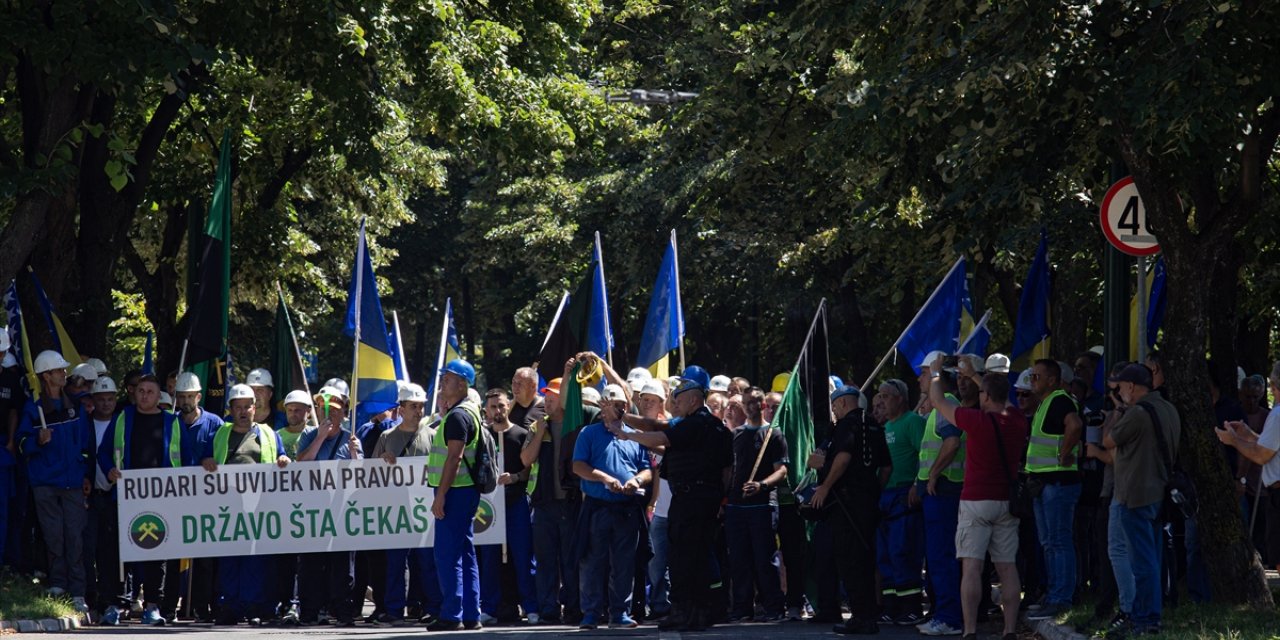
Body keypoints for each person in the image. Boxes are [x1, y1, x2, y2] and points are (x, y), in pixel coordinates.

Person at [611, 365, 732, 632]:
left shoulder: (694, 424)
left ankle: (686, 611)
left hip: (690, 498)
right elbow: (725, 470)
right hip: (704, 498)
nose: (675, 403)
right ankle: (697, 611)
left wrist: (626, 433)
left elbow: (660, 432)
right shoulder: (714, 427)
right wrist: (627, 419)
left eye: (679, 398)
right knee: (696, 555)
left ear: (693, 398)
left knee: (684, 556)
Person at [929, 357, 1028, 640]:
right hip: (1006, 501)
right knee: (1006, 567)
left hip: (975, 499)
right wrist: (975, 376)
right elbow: (999, 397)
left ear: (985, 396)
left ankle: (970, 630)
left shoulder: (976, 421)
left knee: (971, 567)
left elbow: (938, 400)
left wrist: (936, 374)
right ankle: (1009, 630)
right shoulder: (1017, 419)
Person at [98, 373, 186, 625]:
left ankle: (152, 607)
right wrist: (110, 471)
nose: (144, 395)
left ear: (160, 396)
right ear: (133, 394)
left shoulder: (172, 422)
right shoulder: (122, 420)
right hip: (125, 497)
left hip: (161, 499)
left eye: (150, 391)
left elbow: (187, 459)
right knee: (118, 553)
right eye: (140, 391)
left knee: (156, 554)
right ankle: (115, 605)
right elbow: (103, 454)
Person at [200, 384, 290, 625]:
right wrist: (205, 460)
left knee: (255, 558)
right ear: (230, 410)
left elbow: (281, 458)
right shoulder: (219, 434)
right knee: (229, 556)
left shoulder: (270, 434)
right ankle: (229, 606)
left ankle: (254, 606)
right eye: (237, 407)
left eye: (247, 407)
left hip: (260, 503)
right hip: (227, 504)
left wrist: (283, 459)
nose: (242, 411)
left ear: (254, 407)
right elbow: (202, 460)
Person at [1102, 363, 1180, 636]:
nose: (1118, 392)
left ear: (1132, 387)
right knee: (1152, 558)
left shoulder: (1136, 413)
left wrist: (1118, 411)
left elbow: (1108, 440)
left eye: (1120, 387)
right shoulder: (1168, 408)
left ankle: (1146, 618)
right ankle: (1149, 614)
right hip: (1158, 494)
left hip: (1134, 496)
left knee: (1142, 561)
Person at [806, 385, 889, 635]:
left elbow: (842, 458)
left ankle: (861, 617)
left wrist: (825, 486)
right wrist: (874, 491)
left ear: (842, 403)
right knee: (864, 558)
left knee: (850, 560)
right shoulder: (873, 425)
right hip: (866, 502)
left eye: (834, 406)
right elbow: (886, 467)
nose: (834, 411)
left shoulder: (846, 426)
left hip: (846, 502)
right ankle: (866, 613)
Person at [16, 351, 92, 613]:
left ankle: (78, 591)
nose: (64, 374)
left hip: (72, 483)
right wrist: (37, 440)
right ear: (46, 376)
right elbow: (21, 443)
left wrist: (85, 475)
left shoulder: (75, 405)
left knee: (75, 537)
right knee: (53, 536)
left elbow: (85, 445)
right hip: (45, 483)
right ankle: (58, 584)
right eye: (59, 371)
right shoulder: (33, 408)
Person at [572, 384, 652, 629]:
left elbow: (647, 469)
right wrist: (605, 478)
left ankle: (620, 612)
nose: (619, 409)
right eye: (614, 405)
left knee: (624, 563)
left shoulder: (633, 435)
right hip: (598, 507)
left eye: (622, 405)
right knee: (593, 561)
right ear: (603, 406)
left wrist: (635, 480)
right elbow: (578, 466)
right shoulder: (589, 433)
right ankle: (591, 613)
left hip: (626, 508)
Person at [373, 382, 441, 625]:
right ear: (400, 409)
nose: (418, 411)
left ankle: (434, 607)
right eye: (413, 406)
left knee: (427, 562)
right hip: (396, 511)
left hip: (425, 511)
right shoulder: (386, 437)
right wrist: (382, 460)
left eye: (421, 406)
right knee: (395, 564)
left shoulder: (434, 436)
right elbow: (371, 475)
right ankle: (393, 610)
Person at [1021, 359, 1083, 620]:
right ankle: (1054, 593)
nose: (1031, 380)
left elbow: (1075, 425)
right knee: (1049, 543)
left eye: (1036, 377)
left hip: (1058, 484)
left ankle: (1061, 598)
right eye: (1031, 376)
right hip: (1045, 484)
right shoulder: (1045, 403)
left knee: (1058, 541)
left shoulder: (1060, 399)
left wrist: (1066, 452)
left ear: (1052, 380)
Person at [426, 359, 485, 631]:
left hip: (455, 492)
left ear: (462, 384)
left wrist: (441, 496)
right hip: (464, 491)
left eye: (447, 378)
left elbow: (454, 458)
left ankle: (451, 614)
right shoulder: (467, 412)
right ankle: (470, 614)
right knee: (465, 552)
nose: (442, 383)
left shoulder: (458, 416)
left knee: (447, 555)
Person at [296, 385, 362, 626]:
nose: (330, 415)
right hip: (313, 512)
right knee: (311, 565)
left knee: (343, 567)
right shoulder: (309, 435)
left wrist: (355, 455)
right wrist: (321, 437)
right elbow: (300, 464)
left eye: (335, 410)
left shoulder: (351, 438)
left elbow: (362, 475)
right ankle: (310, 612)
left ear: (344, 412)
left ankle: (343, 612)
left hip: (342, 512)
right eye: (325, 409)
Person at [913, 351, 966, 637]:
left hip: (943, 492)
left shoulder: (947, 406)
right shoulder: (940, 409)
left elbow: (953, 442)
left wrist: (933, 473)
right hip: (939, 492)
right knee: (937, 557)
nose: (920, 378)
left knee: (941, 557)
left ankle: (949, 617)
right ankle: (943, 612)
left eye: (924, 373)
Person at [723, 386, 787, 623]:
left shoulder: (774, 434)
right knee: (739, 560)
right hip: (736, 507)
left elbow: (781, 471)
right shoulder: (736, 434)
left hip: (762, 506)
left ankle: (773, 606)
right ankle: (742, 608)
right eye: (747, 402)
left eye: (756, 402)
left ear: (763, 405)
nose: (751, 406)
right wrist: (724, 499)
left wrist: (761, 485)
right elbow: (729, 471)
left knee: (764, 560)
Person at [477, 387, 539, 625]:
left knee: (524, 556)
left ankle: (530, 606)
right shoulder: (483, 437)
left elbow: (528, 469)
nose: (498, 410)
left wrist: (514, 477)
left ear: (508, 406)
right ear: (487, 410)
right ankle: (489, 607)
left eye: (501, 405)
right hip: (490, 506)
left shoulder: (522, 434)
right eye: (493, 407)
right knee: (490, 558)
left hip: (516, 503)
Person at [1217, 361, 1280, 572]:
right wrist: (1247, 433)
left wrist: (1233, 440)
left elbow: (1261, 455)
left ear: (1272, 386)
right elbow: (1269, 445)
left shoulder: (1277, 414)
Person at [875, 378, 926, 626]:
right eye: (880, 396)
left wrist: (917, 484)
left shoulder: (912, 422)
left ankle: (912, 607)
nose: (881, 400)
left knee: (903, 550)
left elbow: (925, 454)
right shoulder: (885, 427)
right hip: (885, 496)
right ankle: (891, 606)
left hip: (904, 494)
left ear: (900, 399)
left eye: (886, 396)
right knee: (885, 554)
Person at [82, 376, 127, 624]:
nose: (106, 403)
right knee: (89, 549)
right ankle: (92, 598)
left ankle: (112, 599)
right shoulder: (85, 424)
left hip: (115, 497)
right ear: (93, 400)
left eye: (111, 399)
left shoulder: (122, 424)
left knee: (112, 552)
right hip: (91, 496)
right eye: (101, 399)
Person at [636, 379, 674, 620]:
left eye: (652, 400)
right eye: (644, 400)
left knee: (678, 560)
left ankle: (675, 603)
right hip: (656, 509)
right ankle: (659, 604)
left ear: (662, 402)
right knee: (655, 561)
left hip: (675, 505)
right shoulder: (638, 430)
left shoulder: (670, 426)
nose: (648, 404)